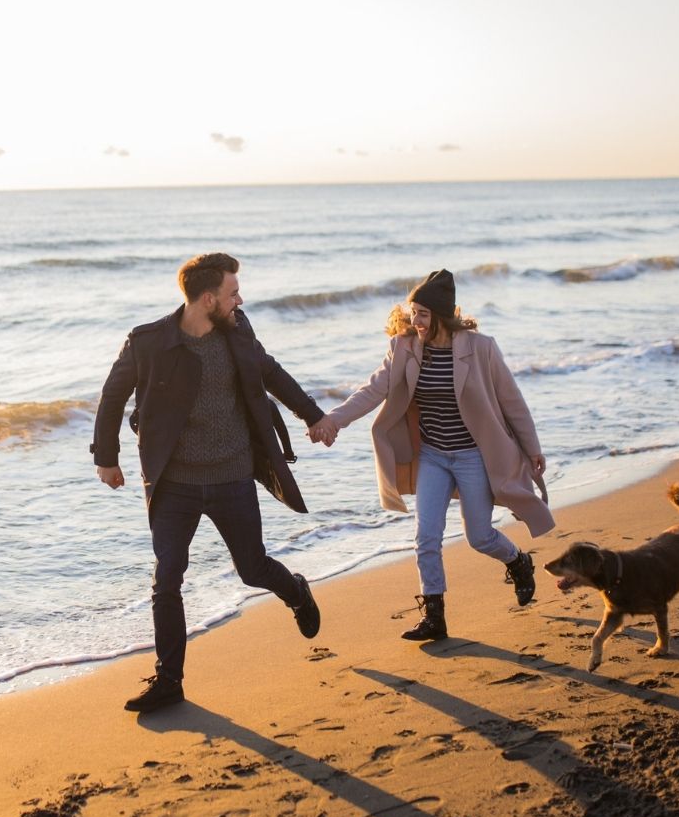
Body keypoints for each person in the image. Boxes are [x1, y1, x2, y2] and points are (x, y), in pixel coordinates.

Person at [92, 252, 325, 713]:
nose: (240, 299)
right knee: (167, 579)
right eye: (232, 292)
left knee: (253, 568)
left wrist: (314, 417)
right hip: (173, 483)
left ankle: (296, 591)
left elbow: (272, 373)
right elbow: (113, 394)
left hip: (232, 475)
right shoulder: (149, 342)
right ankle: (169, 680)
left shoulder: (237, 331)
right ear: (206, 299)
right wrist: (107, 458)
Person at [308, 268, 552, 641]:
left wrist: (532, 448)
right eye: (412, 312)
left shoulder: (480, 347)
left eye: (423, 314)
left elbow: (511, 401)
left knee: (481, 537)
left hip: (472, 456)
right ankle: (434, 616)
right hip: (433, 456)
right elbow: (372, 391)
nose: (415, 321)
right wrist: (332, 420)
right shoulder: (404, 347)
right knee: (426, 537)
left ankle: (519, 562)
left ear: (441, 314)